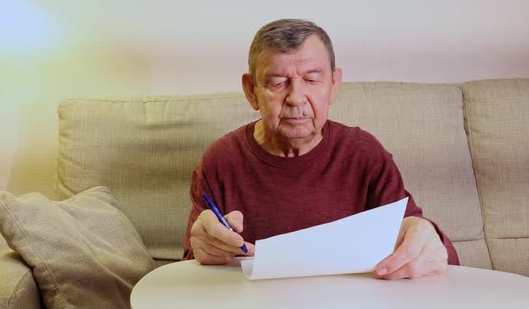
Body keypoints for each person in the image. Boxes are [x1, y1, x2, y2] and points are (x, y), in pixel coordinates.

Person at [182, 18, 459, 280]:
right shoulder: (221, 160)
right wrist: (203, 250)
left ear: (334, 86)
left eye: (312, 80)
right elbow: (193, 270)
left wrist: (427, 239)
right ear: (252, 91)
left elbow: (434, 255)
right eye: (278, 82)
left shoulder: (364, 154)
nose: (296, 98)